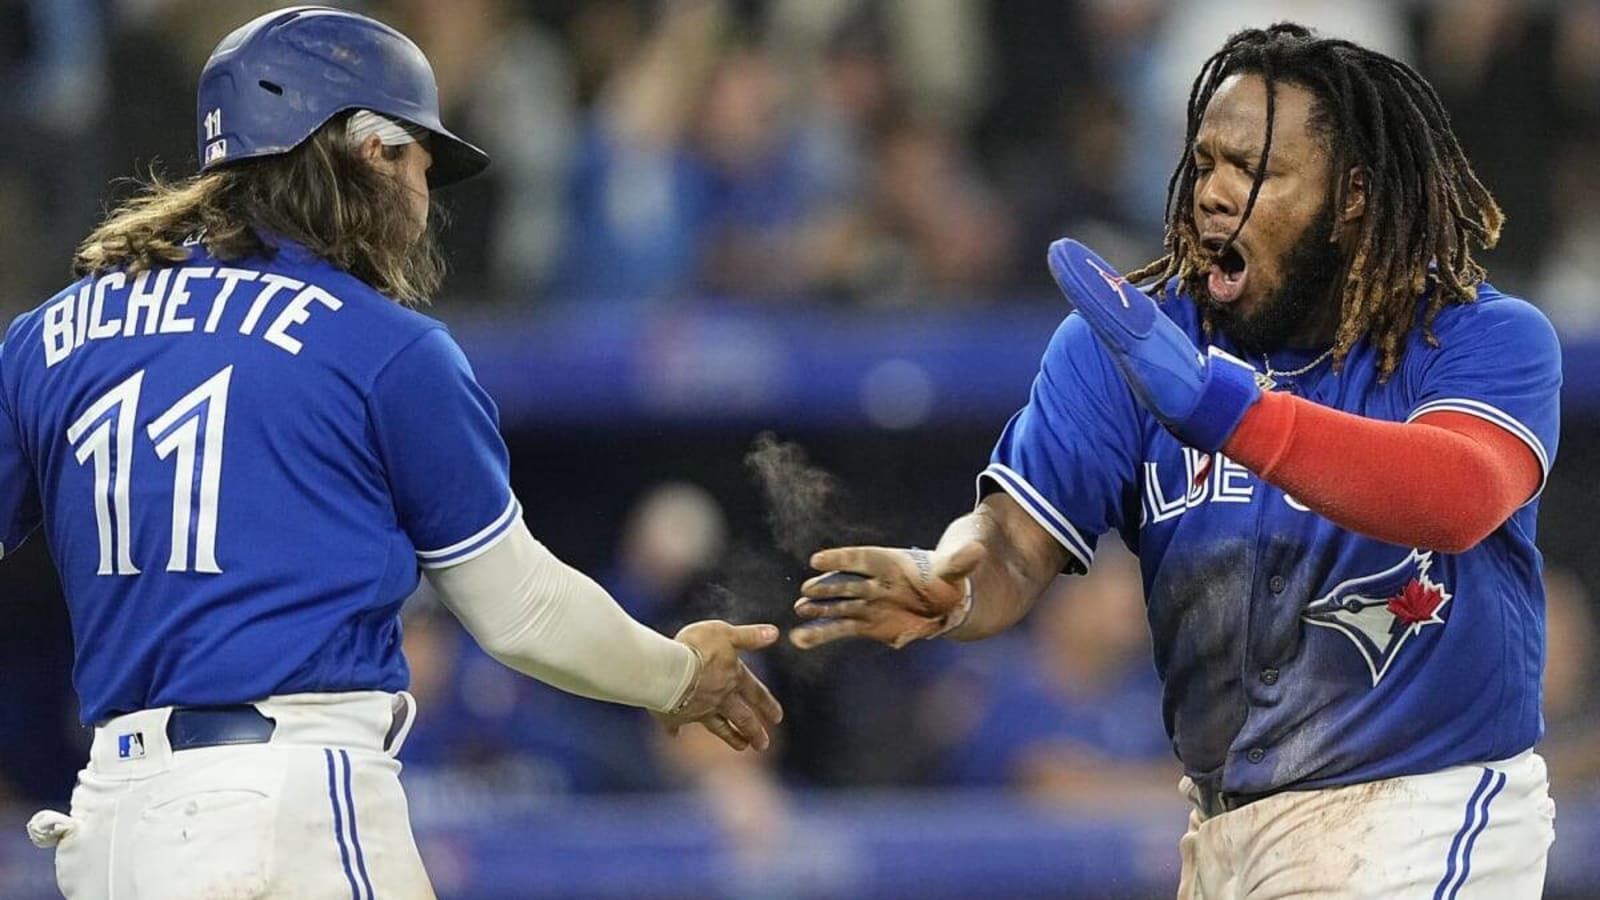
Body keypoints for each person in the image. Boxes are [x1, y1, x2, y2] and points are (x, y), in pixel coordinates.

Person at [0, 7, 781, 898]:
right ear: (366, 150)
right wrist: (677, 676)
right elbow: (520, 610)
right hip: (283, 808)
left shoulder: (47, 335)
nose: (424, 193)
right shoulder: (383, 345)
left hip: (108, 827)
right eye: (416, 155)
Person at [793, 23, 1560, 899]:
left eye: (1258, 171)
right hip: (1224, 831)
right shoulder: (1129, 346)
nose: (1216, 195)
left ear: (1352, 196)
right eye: (1206, 164)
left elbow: (1455, 495)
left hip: (1429, 804)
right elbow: (1012, 544)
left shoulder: (1478, 335)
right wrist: (952, 578)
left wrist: (1218, 408)